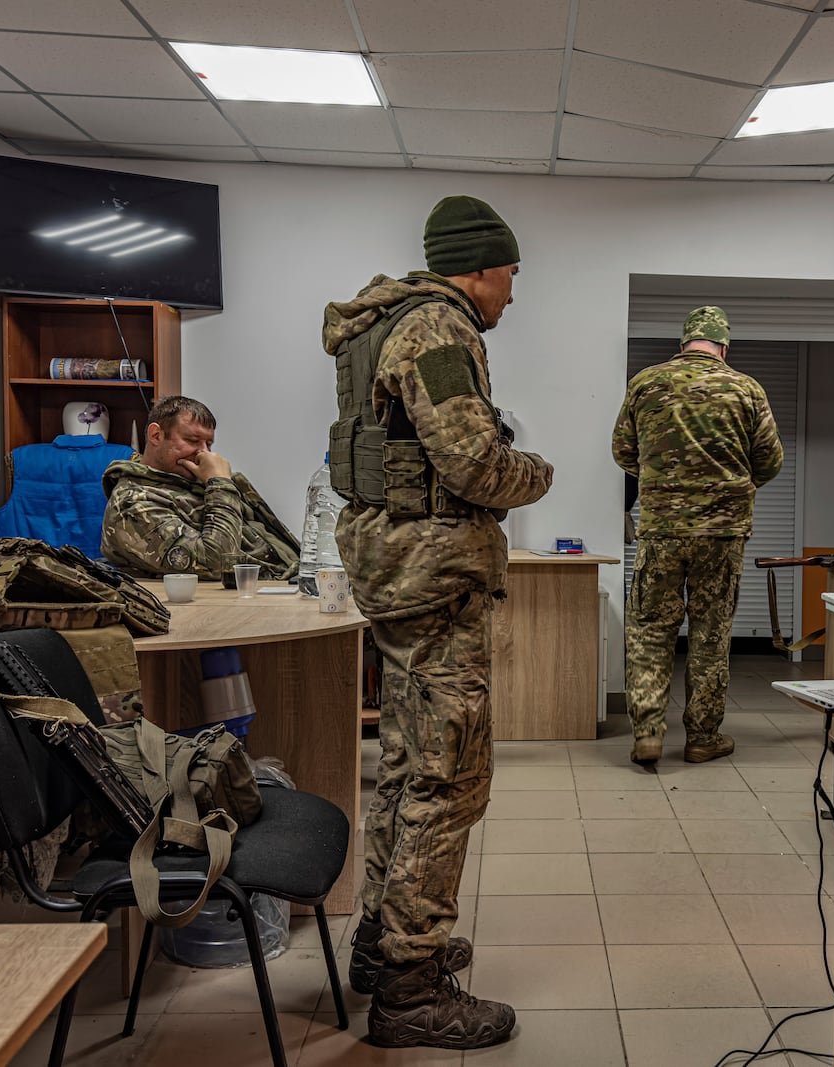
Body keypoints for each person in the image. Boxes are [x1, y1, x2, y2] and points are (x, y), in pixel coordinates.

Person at [322, 195, 553, 1049]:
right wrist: (537, 471)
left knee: (406, 763)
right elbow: (474, 463)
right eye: (510, 275)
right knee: (448, 780)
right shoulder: (440, 331)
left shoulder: (380, 325)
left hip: (395, 575)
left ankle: (383, 948)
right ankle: (412, 991)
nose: (512, 294)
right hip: (433, 579)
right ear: (478, 267)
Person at [613, 306, 783, 766]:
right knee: (710, 635)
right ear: (724, 347)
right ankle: (702, 737)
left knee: (650, 629)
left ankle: (648, 734)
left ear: (684, 342)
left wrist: (664, 482)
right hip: (723, 533)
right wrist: (726, 486)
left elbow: (623, 450)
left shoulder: (646, 383)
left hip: (662, 529)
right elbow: (769, 460)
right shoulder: (746, 388)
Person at [100, 395, 298, 580]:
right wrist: (220, 484)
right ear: (156, 436)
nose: (204, 453)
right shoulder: (132, 504)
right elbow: (218, 563)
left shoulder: (193, 482)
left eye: (208, 444)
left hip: (291, 580)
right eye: (193, 441)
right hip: (248, 597)